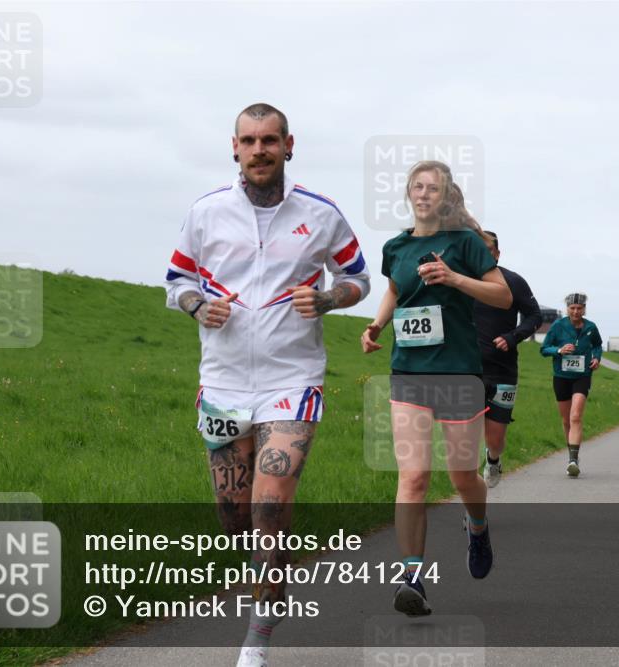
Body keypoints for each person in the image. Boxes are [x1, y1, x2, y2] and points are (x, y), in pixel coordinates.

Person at [164, 103, 371, 667]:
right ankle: (271, 586)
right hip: (224, 381)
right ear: (234, 147)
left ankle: (257, 639)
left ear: (288, 145)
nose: (260, 150)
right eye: (249, 141)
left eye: (270, 140)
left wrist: (328, 298)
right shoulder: (206, 213)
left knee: (271, 502)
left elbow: (357, 277)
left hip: (292, 378)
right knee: (236, 519)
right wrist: (196, 306)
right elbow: (176, 282)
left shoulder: (321, 214)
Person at [361, 161, 511, 617]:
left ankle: (478, 525)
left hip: (458, 372)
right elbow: (393, 289)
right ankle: (411, 577)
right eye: (418, 187)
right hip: (408, 372)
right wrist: (376, 324)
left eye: (434, 188)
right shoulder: (397, 246)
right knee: (413, 476)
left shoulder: (465, 243)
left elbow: (501, 295)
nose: (425, 194)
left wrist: (454, 278)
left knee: (463, 475)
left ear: (445, 197)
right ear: (408, 193)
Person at [474, 230, 543, 488]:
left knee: (494, 439)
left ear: (497, 253)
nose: (482, 255)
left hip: (501, 370)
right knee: (464, 443)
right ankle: (472, 507)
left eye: (488, 250)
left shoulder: (513, 281)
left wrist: (513, 337)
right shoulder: (460, 281)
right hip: (466, 370)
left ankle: (493, 459)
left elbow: (534, 316)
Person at [540, 293, 603, 477]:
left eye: (579, 308)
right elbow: (544, 349)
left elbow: (598, 345)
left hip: (582, 376)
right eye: (572, 308)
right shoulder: (558, 326)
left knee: (576, 416)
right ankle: (571, 455)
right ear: (567, 308)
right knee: (567, 420)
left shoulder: (591, 327)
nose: (576, 311)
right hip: (561, 377)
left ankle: (573, 460)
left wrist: (597, 358)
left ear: (584, 309)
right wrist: (559, 350)